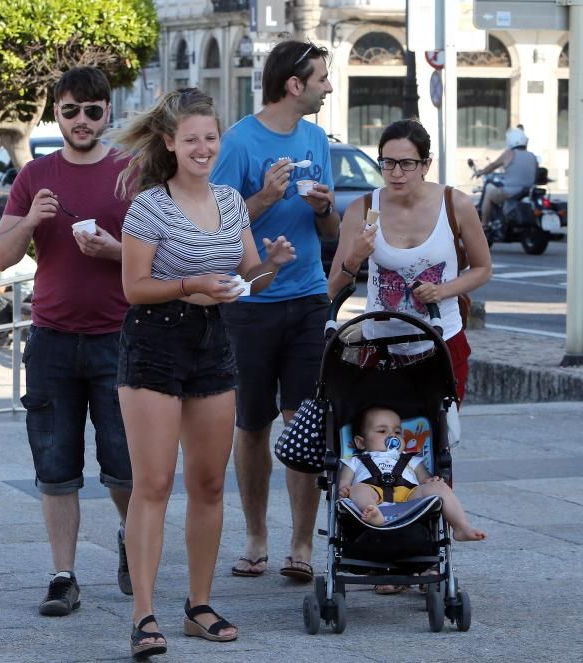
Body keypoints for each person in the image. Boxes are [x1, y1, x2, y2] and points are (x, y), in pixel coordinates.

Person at [114, 87, 296, 659]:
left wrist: (271, 265)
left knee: (211, 484)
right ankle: (144, 614)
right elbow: (133, 288)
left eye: (210, 137)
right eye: (190, 138)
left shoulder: (230, 201)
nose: (202, 147)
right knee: (154, 484)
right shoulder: (149, 204)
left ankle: (198, 605)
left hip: (214, 344)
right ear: (169, 143)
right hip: (154, 344)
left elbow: (245, 279)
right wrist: (192, 284)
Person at [0, 66, 134, 617]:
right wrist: (30, 218)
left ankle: (129, 533)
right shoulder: (35, 176)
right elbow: (0, 258)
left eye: (92, 110)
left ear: (107, 114)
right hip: (50, 339)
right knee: (54, 463)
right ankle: (63, 575)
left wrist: (114, 250)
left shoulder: (131, 171)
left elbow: (160, 253)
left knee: (123, 463)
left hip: (119, 338)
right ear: (56, 113)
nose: (81, 120)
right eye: (70, 110)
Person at [210, 40, 339, 582]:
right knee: (253, 423)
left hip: (308, 298)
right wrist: (262, 198)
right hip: (251, 301)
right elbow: (215, 225)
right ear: (294, 84)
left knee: (305, 419)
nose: (328, 87)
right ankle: (257, 537)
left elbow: (329, 232)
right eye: (322, 78)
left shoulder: (315, 139)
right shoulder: (239, 141)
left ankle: (302, 546)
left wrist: (326, 209)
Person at [328, 119, 491, 404]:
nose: (396, 173)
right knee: (382, 442)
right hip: (380, 345)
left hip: (441, 339)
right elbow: (333, 288)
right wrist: (355, 256)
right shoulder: (363, 208)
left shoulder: (456, 204)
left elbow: (482, 268)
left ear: (426, 165)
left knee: (436, 439)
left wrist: (441, 290)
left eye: (407, 164)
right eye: (388, 163)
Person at [340, 406, 487, 540]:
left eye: (397, 432)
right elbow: (344, 483)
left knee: (439, 487)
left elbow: (424, 479)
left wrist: (430, 481)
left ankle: (461, 526)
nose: (392, 436)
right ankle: (373, 512)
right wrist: (344, 488)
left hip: (409, 499)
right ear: (361, 442)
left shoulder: (411, 459)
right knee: (358, 489)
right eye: (382, 431)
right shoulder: (356, 460)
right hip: (374, 495)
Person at [474, 126, 537, 235]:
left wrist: (481, 172)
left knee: (489, 190)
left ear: (511, 141)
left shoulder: (509, 153)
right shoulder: (532, 156)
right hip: (527, 191)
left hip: (511, 192)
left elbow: (493, 165)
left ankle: (483, 226)